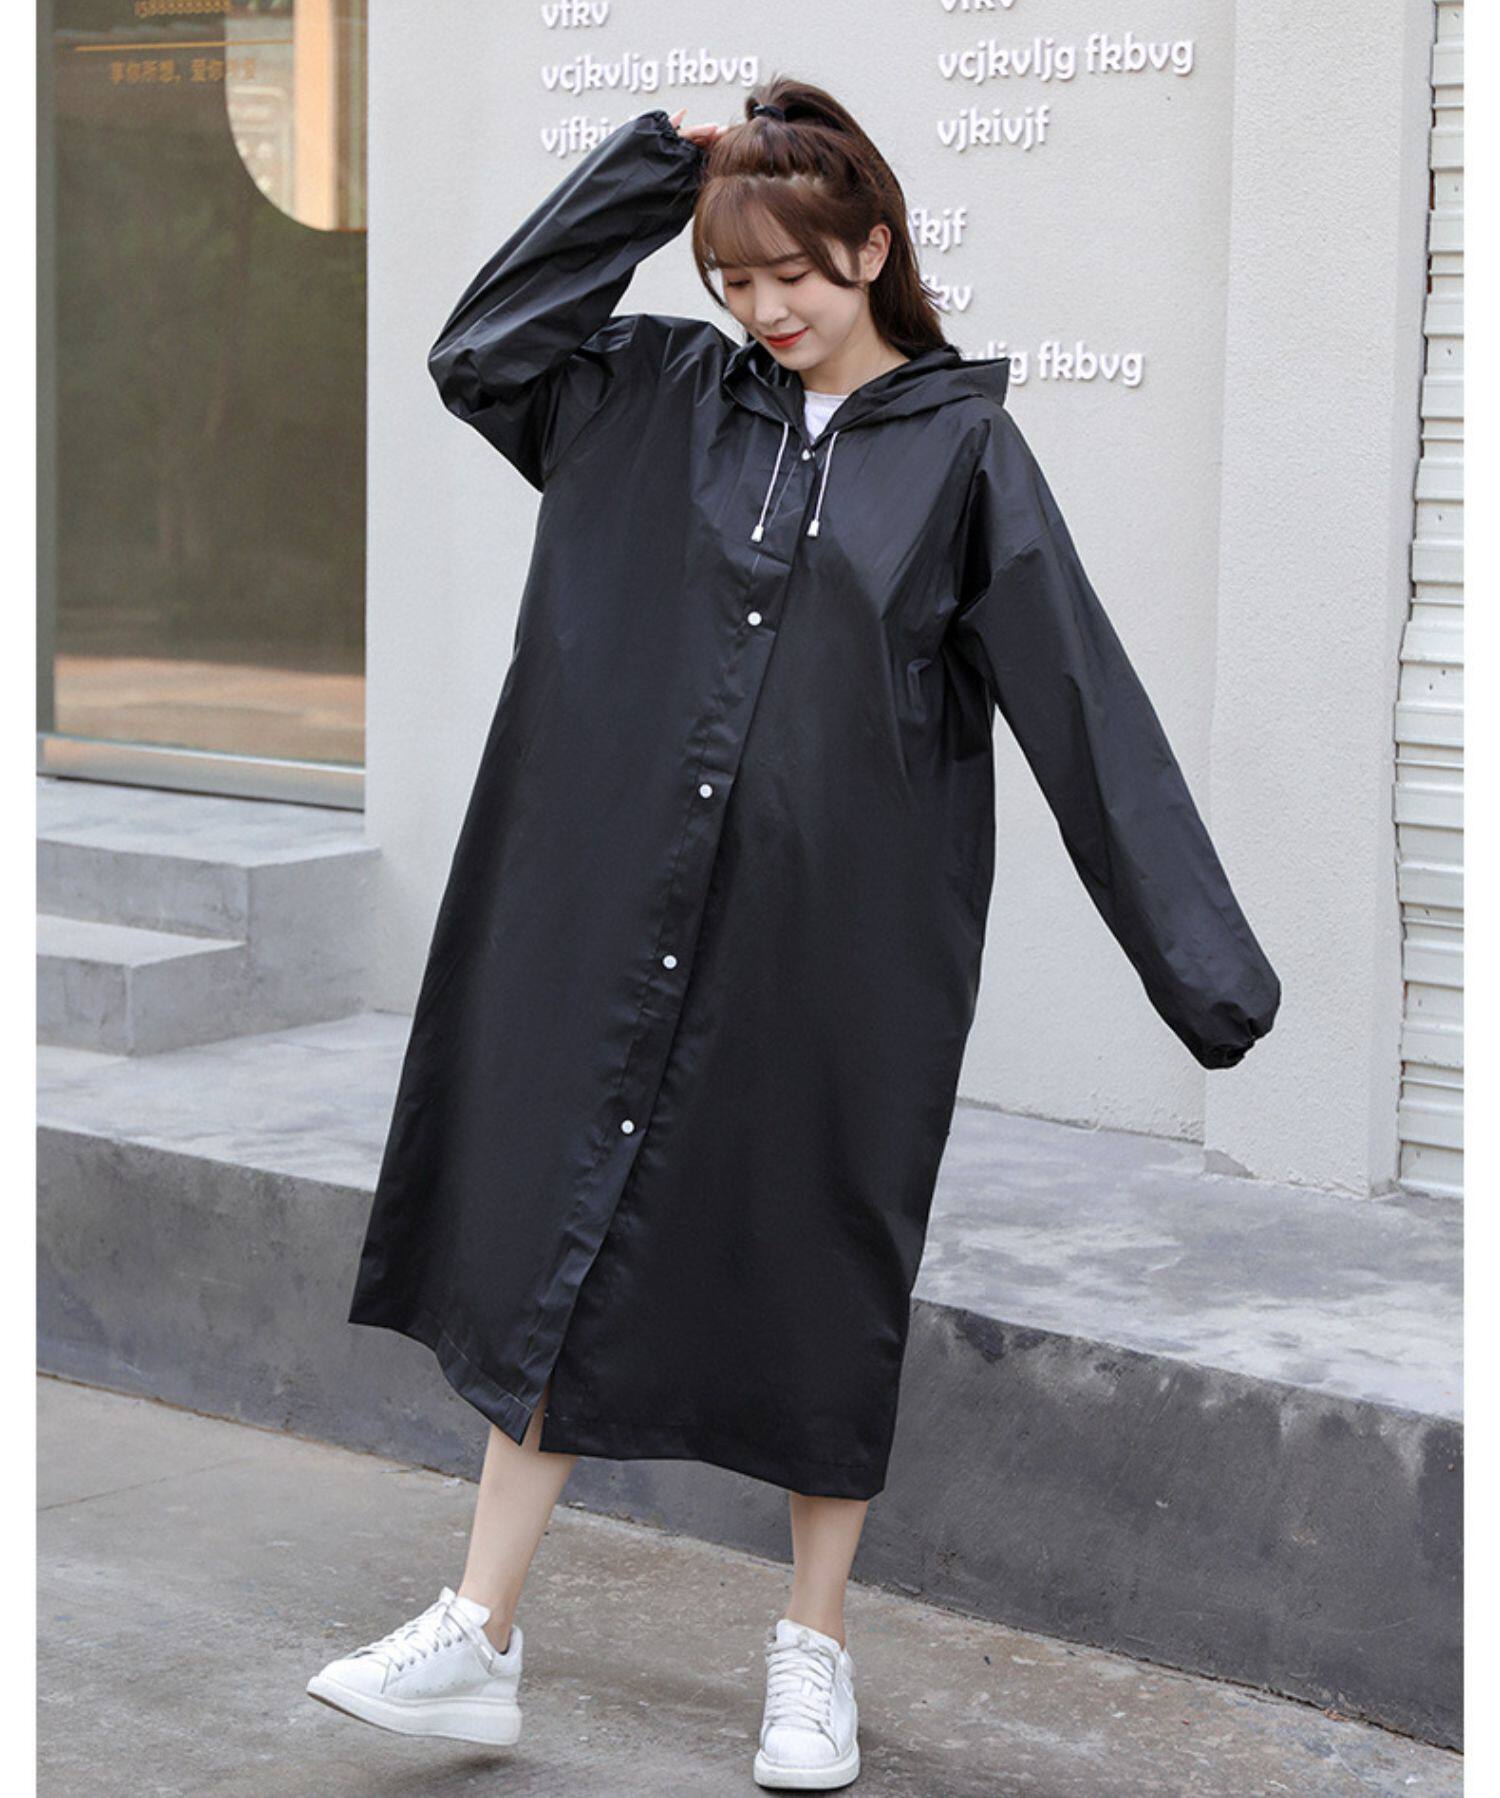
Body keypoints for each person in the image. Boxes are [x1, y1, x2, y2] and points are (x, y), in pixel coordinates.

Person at [306, 80, 1280, 1791]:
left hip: (837, 955)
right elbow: (482, 350)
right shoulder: (653, 397)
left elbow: (1084, 709)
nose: (765, 308)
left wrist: (1205, 969)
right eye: (735, 279)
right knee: (568, 1230)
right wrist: (642, 177)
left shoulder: (963, 456)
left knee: (824, 1271)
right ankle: (479, 1629)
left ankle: (812, 1649)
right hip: (622, 916)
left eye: (795, 274)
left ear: (875, 248)